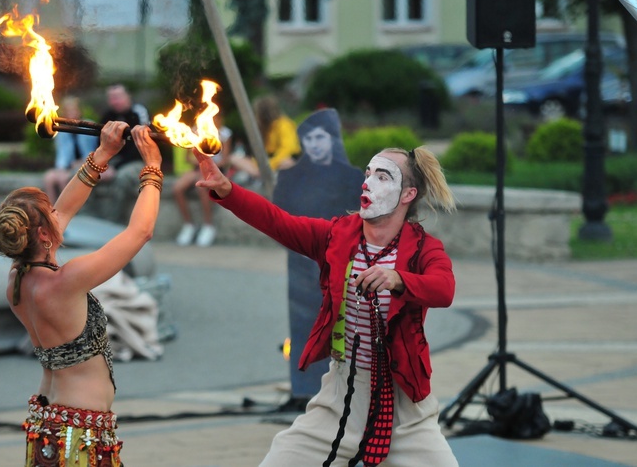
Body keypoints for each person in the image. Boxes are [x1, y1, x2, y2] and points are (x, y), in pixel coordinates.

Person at [193, 145, 459, 466]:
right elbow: (278, 222)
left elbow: (444, 290)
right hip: (342, 393)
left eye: (383, 176)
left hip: (405, 402)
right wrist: (228, 192)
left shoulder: (424, 249)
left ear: (407, 194)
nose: (367, 183)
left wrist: (398, 279)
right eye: (367, 173)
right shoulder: (337, 235)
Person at [0, 121, 163, 467]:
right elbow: (140, 232)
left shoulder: (17, 279)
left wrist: (104, 153)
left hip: (50, 427)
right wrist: (152, 167)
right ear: (44, 234)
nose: (60, 214)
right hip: (79, 439)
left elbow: (65, 208)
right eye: (51, 216)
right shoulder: (67, 281)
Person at [272, 108, 365, 411]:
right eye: (308, 138)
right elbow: (280, 216)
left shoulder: (353, 178)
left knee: (342, 324)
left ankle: (342, 390)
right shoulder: (291, 177)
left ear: (333, 139)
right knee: (304, 323)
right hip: (302, 259)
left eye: (320, 137)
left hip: (341, 259)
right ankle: (304, 390)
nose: (314, 144)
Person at [173, 116, 233, 247]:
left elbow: (225, 159)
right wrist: (201, 161)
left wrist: (210, 164)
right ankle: (189, 225)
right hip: (198, 168)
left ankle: (208, 225)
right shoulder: (196, 132)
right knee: (177, 188)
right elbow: (188, 158)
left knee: (202, 187)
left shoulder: (224, 134)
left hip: (215, 169)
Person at [99, 84, 151, 223]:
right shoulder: (108, 116)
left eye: (118, 97)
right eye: (111, 98)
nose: (114, 101)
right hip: (113, 161)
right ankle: (87, 219)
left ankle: (113, 222)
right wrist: (102, 164)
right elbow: (101, 143)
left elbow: (141, 146)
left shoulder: (139, 113)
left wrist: (114, 167)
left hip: (139, 160)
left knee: (122, 178)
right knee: (84, 172)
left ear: (128, 97)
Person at [229, 95, 300, 182]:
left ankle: (262, 174)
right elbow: (263, 153)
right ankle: (260, 174)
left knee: (286, 162)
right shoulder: (265, 129)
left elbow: (287, 149)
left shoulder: (283, 124)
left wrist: (270, 165)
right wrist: (257, 163)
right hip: (268, 162)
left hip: (284, 159)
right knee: (233, 158)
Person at [43, 96, 98, 203]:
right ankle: (51, 211)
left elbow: (93, 151)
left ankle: (66, 209)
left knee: (64, 179)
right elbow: (62, 154)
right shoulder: (62, 130)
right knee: (49, 178)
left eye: (74, 110)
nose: (71, 113)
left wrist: (81, 162)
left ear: (79, 111)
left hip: (85, 164)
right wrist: (61, 168)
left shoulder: (88, 126)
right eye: (68, 111)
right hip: (68, 166)